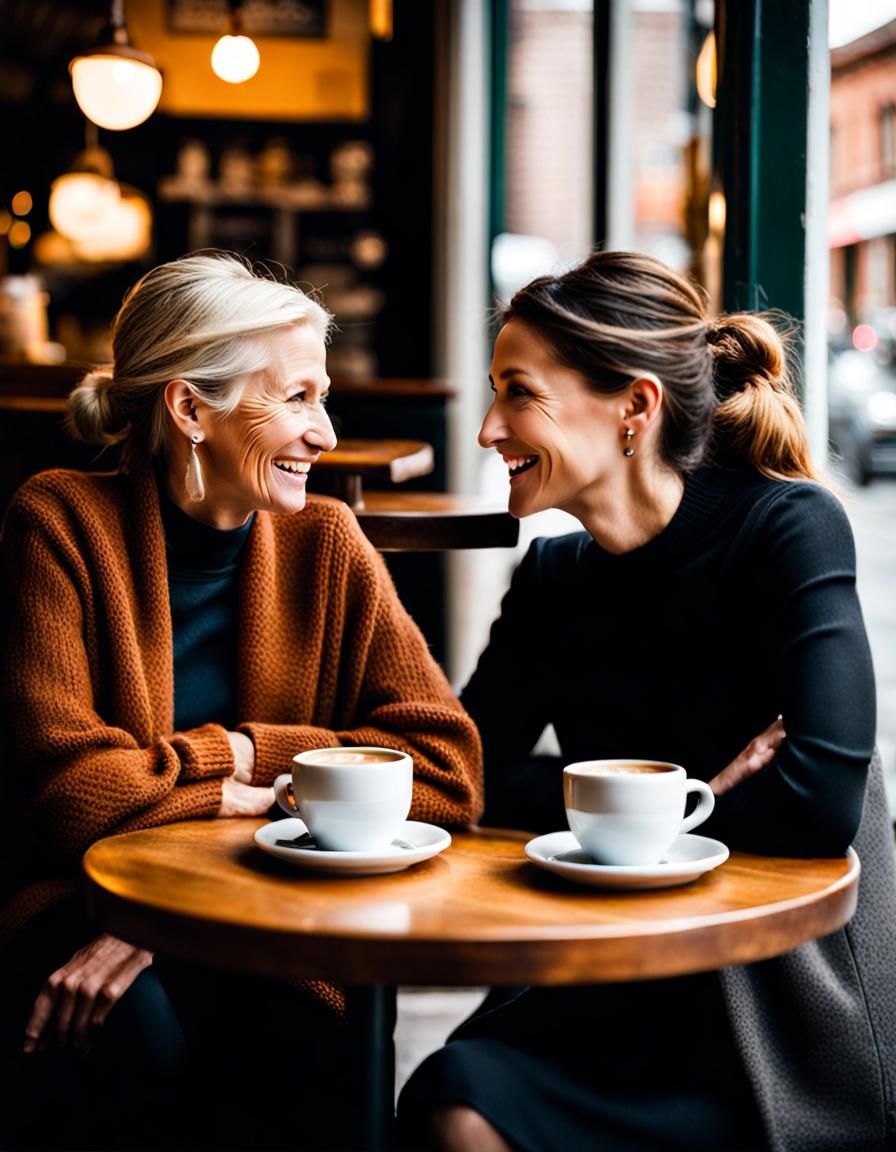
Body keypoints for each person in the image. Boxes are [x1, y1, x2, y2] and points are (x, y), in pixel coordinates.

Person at [397, 250, 896, 1152]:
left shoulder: (788, 529)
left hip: (764, 1003)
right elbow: (469, 776)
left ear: (634, 406)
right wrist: (693, 794)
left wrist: (605, 810)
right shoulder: (553, 576)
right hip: (604, 968)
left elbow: (820, 804)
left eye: (519, 394)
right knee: (452, 1101)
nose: (486, 430)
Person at [0, 251, 482, 1151]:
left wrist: (248, 758)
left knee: (309, 1037)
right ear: (190, 409)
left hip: (269, 912)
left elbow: (448, 773)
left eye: (322, 397)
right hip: (81, 900)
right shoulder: (57, 521)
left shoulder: (328, 542)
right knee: (133, 1034)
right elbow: (71, 797)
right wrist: (254, 773)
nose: (326, 434)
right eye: (297, 398)